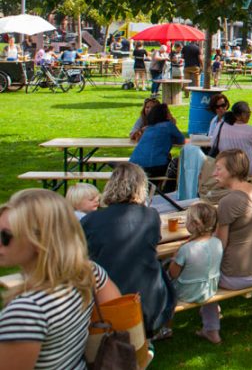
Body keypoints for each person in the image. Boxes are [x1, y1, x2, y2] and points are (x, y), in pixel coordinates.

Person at [0, 189, 122, 369]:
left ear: (39, 241)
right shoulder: (88, 273)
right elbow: (121, 319)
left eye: (5, 236)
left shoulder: (26, 312)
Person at [81, 163, 176, 337]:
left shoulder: (90, 220)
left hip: (108, 297)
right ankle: (158, 328)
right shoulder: (151, 216)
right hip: (149, 298)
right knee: (162, 269)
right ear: (141, 188)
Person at [202, 150, 252, 343]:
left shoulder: (229, 201)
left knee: (199, 271)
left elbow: (219, 245)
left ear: (232, 171)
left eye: (218, 169)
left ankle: (211, 328)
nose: (214, 174)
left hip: (237, 276)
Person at [167, 201, 222, 341]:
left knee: (163, 286)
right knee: (209, 298)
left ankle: (164, 328)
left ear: (194, 224)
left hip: (187, 292)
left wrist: (173, 259)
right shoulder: (217, 242)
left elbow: (173, 274)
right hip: (210, 288)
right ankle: (212, 330)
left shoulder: (186, 249)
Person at [130, 102, 185, 179]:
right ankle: (165, 190)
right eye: (168, 112)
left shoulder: (148, 128)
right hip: (154, 166)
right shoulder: (168, 125)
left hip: (133, 166)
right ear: (165, 114)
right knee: (175, 169)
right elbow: (181, 140)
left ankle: (155, 188)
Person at [212, 102, 252, 178]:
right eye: (248, 112)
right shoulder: (251, 130)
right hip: (247, 169)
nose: (249, 115)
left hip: (226, 168)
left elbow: (213, 144)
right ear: (241, 114)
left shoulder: (220, 125)